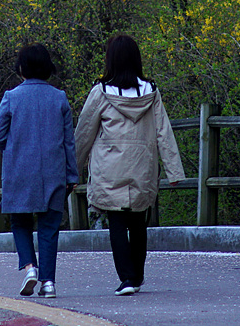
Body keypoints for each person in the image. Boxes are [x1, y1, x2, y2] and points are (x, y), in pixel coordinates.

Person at [74, 34, 185, 296]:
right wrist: (174, 170)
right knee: (138, 222)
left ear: (110, 60)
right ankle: (137, 275)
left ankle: (126, 278)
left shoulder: (101, 92)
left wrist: (73, 169)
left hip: (109, 168)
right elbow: (163, 131)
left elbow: (84, 132)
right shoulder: (151, 92)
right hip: (142, 166)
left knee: (116, 222)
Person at [0, 43, 78, 299]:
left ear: (22, 68)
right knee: (49, 227)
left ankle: (30, 267)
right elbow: (68, 141)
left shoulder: (11, 96)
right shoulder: (59, 97)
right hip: (53, 170)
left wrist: (13, 149)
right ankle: (48, 283)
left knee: (20, 221)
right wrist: (72, 174)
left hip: (19, 170)